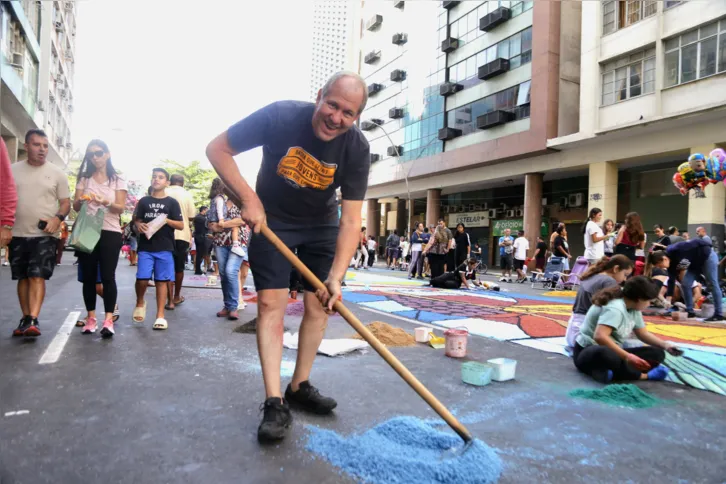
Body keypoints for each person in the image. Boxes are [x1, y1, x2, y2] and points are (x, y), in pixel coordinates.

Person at [205, 71, 370, 443]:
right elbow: (217, 148)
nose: (336, 117)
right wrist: (250, 199)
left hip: (323, 225)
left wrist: (337, 278)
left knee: (319, 306)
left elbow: (352, 219)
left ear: (356, 116)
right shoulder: (280, 116)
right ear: (319, 96)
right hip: (271, 221)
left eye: (348, 112)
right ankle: (275, 401)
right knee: (269, 304)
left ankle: (299, 385)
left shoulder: (357, 148)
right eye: (332, 105)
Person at [9, 130, 71, 337]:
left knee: (37, 276)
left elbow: (65, 203)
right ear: (26, 146)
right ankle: (25, 318)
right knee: (23, 277)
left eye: (45, 145)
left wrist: (57, 219)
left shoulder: (56, 173)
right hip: (17, 233)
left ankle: (33, 318)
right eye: (37, 145)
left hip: (45, 234)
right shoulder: (11, 170)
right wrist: (5, 227)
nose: (42, 149)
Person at [573, 276, 682, 383]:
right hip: (588, 352)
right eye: (649, 301)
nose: (649, 305)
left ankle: (606, 371)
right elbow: (600, 337)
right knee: (608, 354)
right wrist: (628, 356)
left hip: (613, 351)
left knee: (657, 353)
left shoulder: (633, 306)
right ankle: (643, 376)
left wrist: (665, 345)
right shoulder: (615, 308)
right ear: (639, 299)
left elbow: (643, 334)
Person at [72, 140, 128, 337]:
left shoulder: (117, 179)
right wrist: (81, 200)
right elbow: (75, 207)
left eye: (98, 152)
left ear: (107, 154)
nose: (95, 157)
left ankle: (108, 319)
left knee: (107, 276)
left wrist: (104, 201)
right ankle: (91, 318)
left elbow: (121, 207)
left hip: (110, 231)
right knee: (88, 277)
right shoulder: (85, 179)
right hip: (87, 230)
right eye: (91, 154)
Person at [132, 168, 184, 330]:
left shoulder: (172, 203)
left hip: (165, 247)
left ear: (167, 182)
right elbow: (136, 220)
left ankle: (160, 316)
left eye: (161, 177)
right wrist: (139, 225)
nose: (156, 179)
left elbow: (181, 225)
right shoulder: (144, 201)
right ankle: (140, 302)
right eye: (154, 177)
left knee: (162, 281)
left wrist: (166, 220)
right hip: (146, 247)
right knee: (142, 278)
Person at [565, 255, 633, 349]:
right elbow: (615, 308)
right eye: (625, 275)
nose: (625, 279)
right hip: (584, 338)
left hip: (573, 334)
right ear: (616, 269)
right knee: (630, 344)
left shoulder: (593, 275)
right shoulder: (609, 281)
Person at [207, 187, 246, 320]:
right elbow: (210, 222)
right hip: (220, 242)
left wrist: (222, 225)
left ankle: (234, 306)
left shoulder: (242, 202)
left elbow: (242, 220)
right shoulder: (219, 201)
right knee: (223, 274)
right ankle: (228, 305)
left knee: (231, 271)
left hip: (238, 241)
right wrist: (213, 226)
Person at [665, 237, 723, 322]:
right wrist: (668, 300)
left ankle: (718, 314)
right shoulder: (670, 264)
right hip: (695, 264)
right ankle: (690, 311)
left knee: (712, 283)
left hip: (707, 256)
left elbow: (695, 241)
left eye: (660, 265)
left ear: (664, 259)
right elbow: (671, 280)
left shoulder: (676, 248)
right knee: (685, 283)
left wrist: (708, 245)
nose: (661, 268)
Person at [165, 174, 196, 310]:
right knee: (179, 268)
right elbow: (191, 217)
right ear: (182, 183)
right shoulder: (187, 194)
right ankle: (176, 296)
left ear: (170, 181)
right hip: (182, 234)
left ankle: (169, 300)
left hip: (164, 234)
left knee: (165, 267)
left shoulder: (164, 191)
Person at [193, 206, 210, 275]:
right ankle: (197, 269)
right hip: (200, 237)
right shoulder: (200, 218)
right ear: (203, 210)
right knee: (200, 254)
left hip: (199, 236)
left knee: (200, 253)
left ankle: (198, 269)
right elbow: (208, 224)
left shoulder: (199, 217)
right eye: (206, 210)